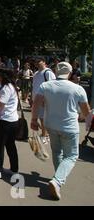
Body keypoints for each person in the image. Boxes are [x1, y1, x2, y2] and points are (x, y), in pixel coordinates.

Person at [31, 62, 91, 200]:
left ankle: (58, 178)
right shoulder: (77, 88)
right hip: (69, 127)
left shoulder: (45, 86)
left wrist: (34, 120)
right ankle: (57, 180)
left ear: (56, 72)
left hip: (51, 125)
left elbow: (36, 103)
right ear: (69, 74)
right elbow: (86, 111)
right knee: (71, 156)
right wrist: (84, 117)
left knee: (57, 152)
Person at [32, 57, 56, 143]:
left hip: (44, 100)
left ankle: (45, 136)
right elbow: (34, 86)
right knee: (39, 118)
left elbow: (52, 87)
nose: (37, 63)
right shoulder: (36, 73)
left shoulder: (48, 72)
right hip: (36, 100)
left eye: (39, 61)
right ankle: (46, 134)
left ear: (44, 62)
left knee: (43, 118)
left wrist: (46, 99)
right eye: (36, 61)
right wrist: (32, 98)